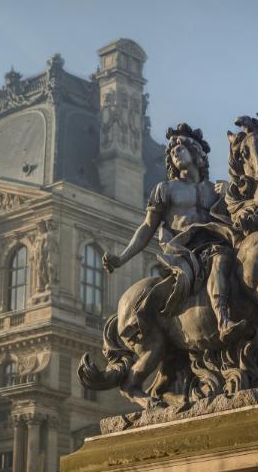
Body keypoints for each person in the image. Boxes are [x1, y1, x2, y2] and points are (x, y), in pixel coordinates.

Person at [103, 123, 243, 339]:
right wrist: (121, 258)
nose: (174, 152)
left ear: (196, 153)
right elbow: (148, 226)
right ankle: (222, 319)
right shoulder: (166, 189)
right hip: (181, 249)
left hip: (209, 242)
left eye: (180, 148)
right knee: (221, 257)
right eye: (171, 151)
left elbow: (235, 221)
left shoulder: (213, 190)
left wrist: (229, 194)